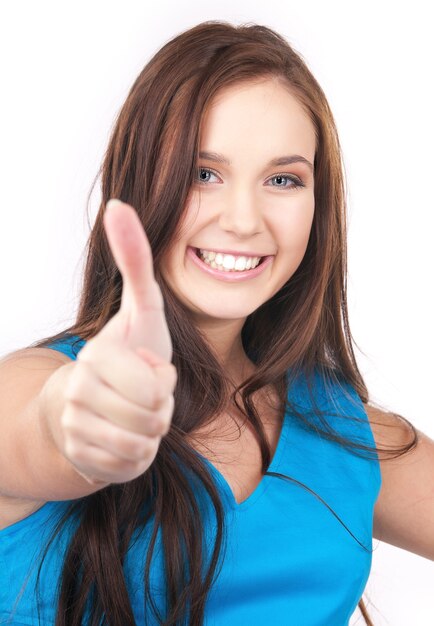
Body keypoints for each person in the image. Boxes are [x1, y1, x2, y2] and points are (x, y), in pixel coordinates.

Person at [0, 19, 431, 626]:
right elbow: (41, 427)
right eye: (205, 173)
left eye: (283, 179)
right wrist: (90, 417)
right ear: (140, 180)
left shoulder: (346, 434)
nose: (244, 220)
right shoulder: (33, 383)